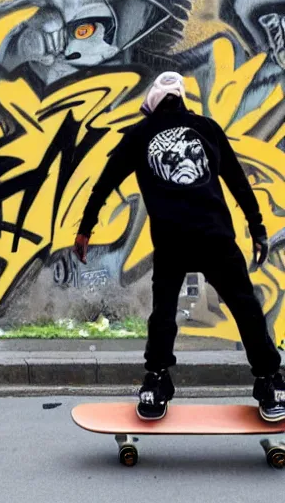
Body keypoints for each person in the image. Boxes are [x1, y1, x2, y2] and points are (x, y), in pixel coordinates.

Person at [73, 71, 285, 422]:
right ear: (182, 100)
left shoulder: (139, 135)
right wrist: (257, 227)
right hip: (215, 236)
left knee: (164, 314)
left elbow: (104, 183)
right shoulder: (208, 128)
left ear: (152, 104)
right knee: (246, 309)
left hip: (172, 241)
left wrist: (85, 229)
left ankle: (157, 381)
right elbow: (237, 181)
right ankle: (269, 380)